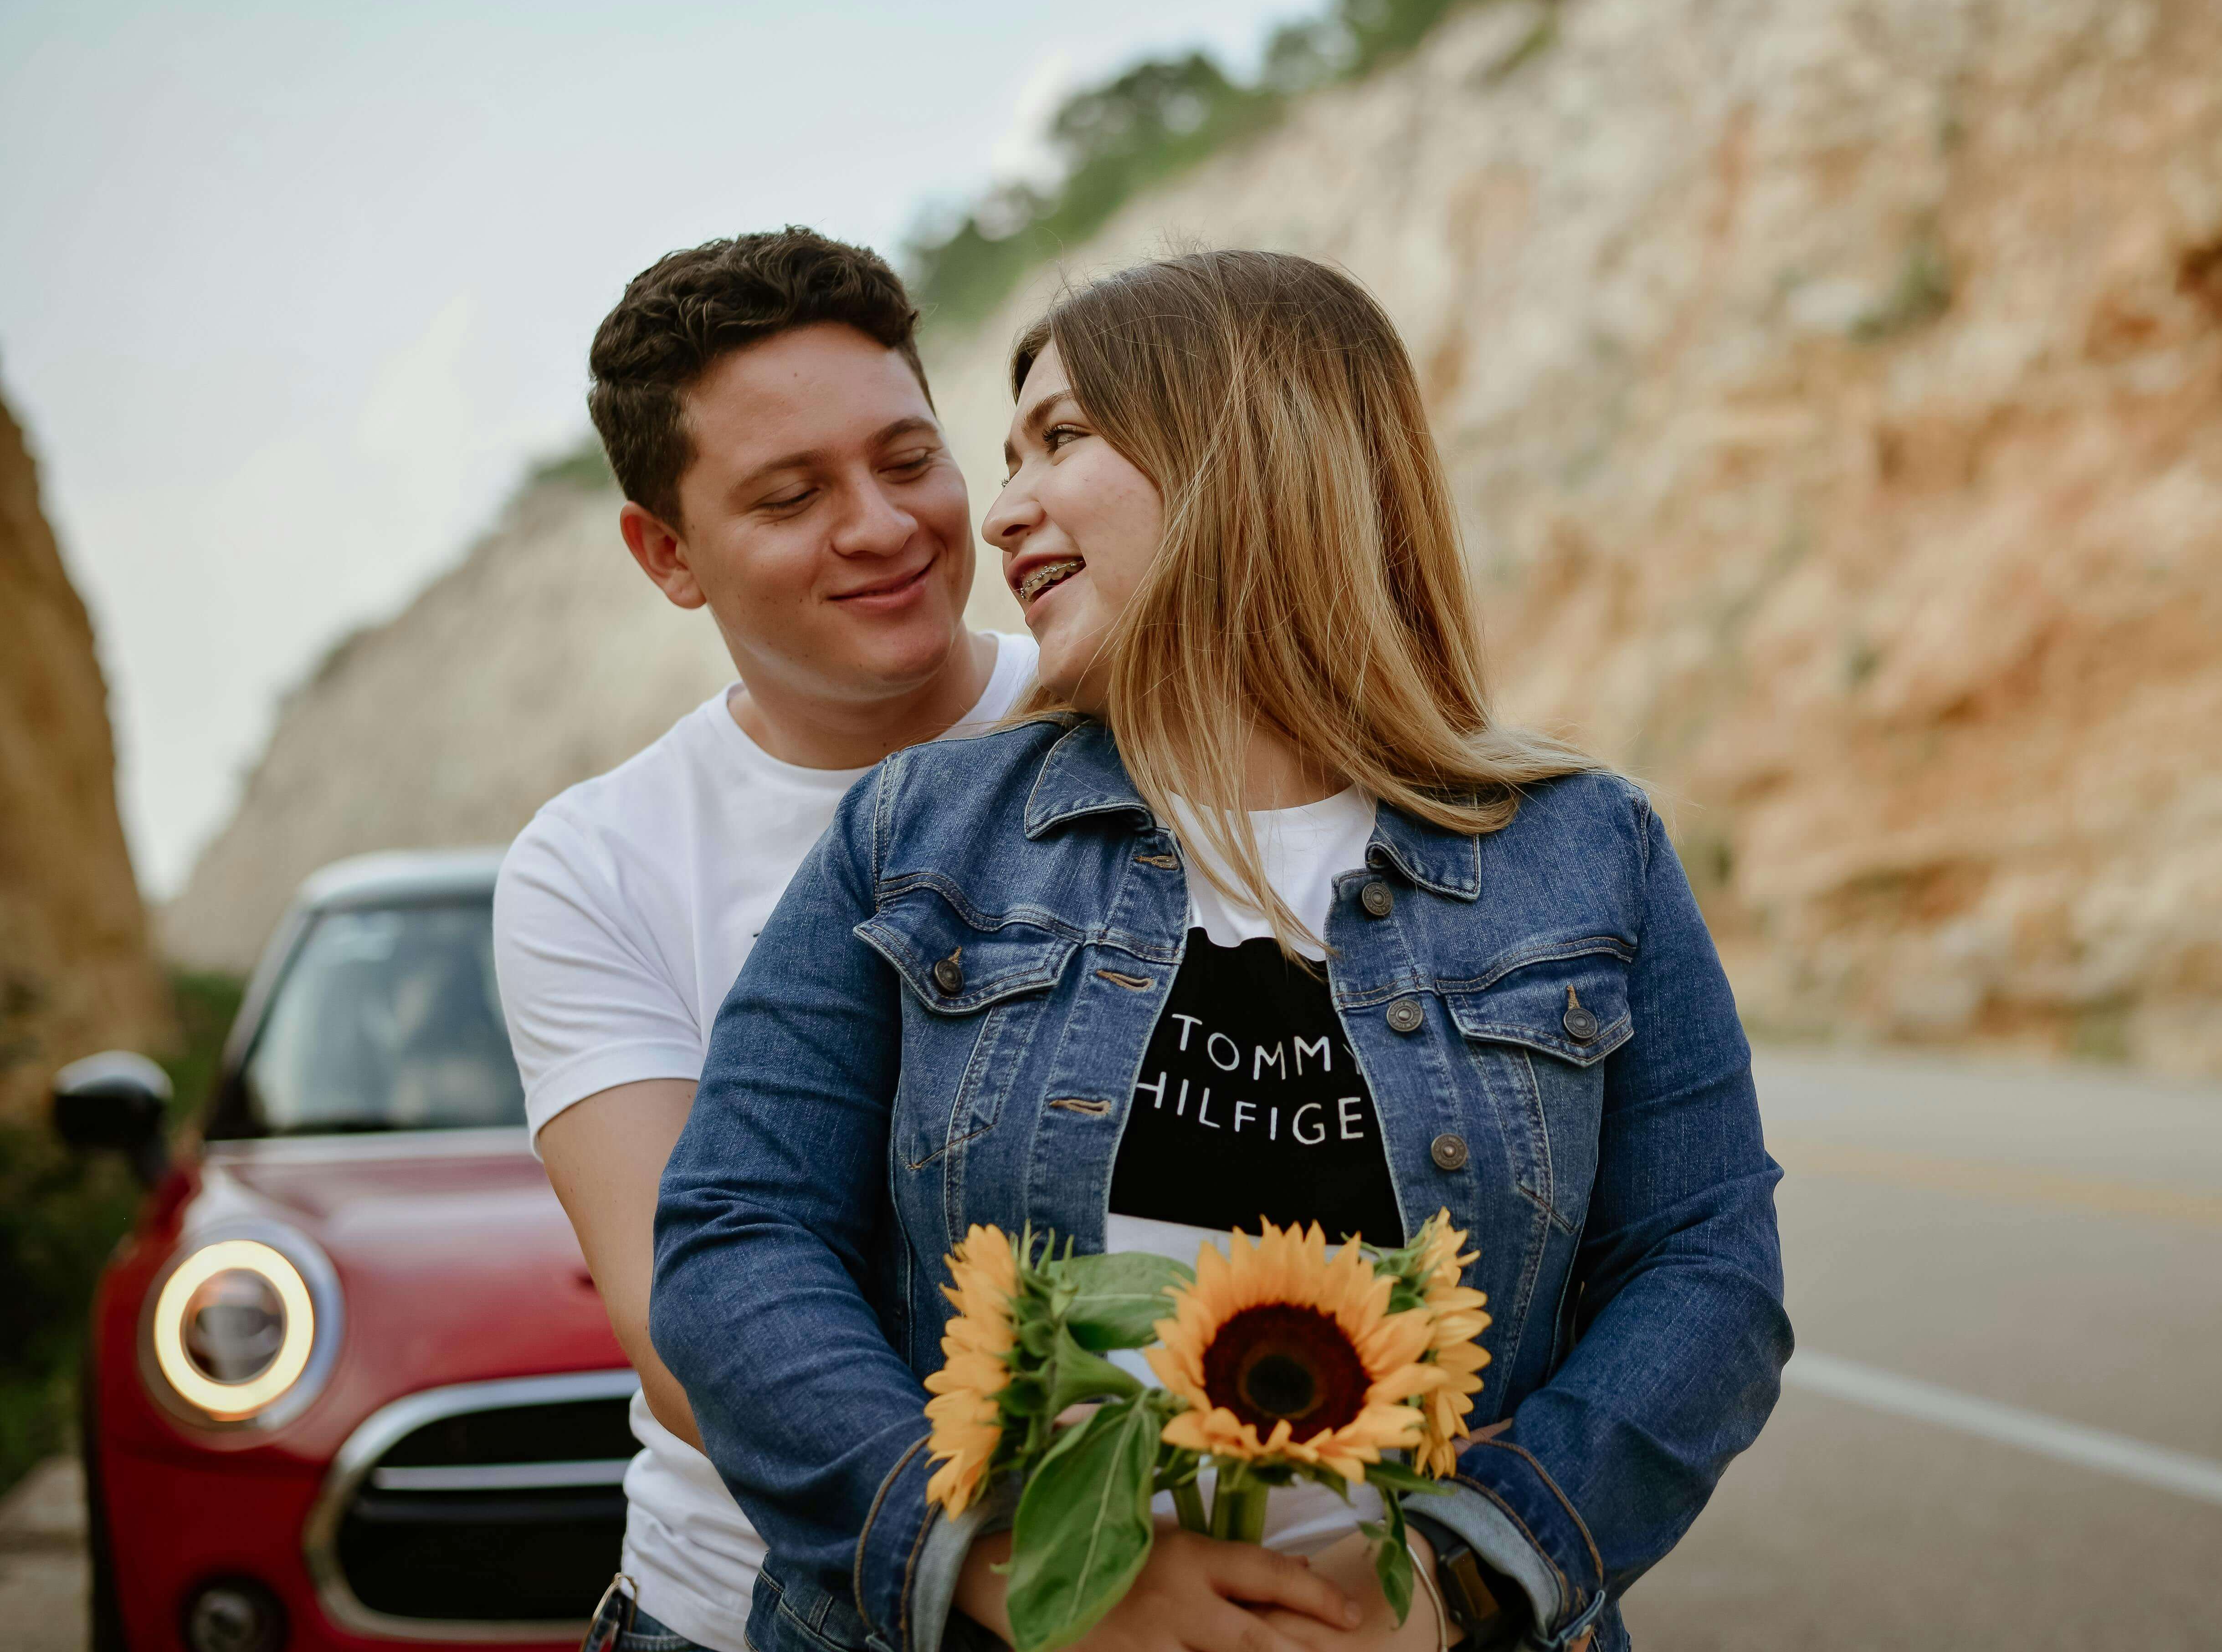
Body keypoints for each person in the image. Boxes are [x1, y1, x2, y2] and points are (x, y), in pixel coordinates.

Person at [652, 250, 1790, 1652]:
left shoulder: (1583, 850)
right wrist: (1024, 1572)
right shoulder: (917, 835)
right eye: (1006, 457)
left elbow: (1707, 1274)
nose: (1000, 513)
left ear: (1240, 451)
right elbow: (735, 1238)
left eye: (1060, 438)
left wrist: (1461, 1582)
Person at [493, 228, 1041, 1652]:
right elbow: (694, 1335)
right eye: (791, 496)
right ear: (667, 555)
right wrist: (1016, 1564)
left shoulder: (1137, 716)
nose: (881, 525)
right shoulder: (595, 866)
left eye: (909, 458)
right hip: (748, 1613)